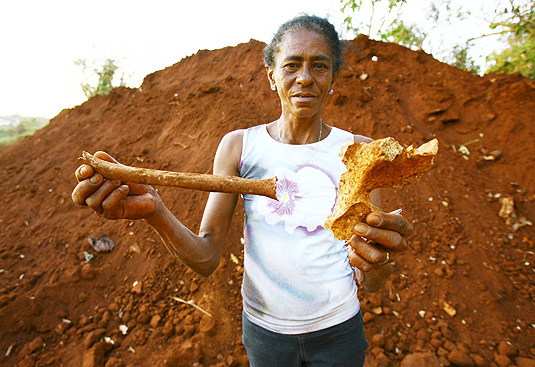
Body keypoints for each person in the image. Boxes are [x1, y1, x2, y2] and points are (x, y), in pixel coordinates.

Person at [72, 15, 413, 367]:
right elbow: (206, 258)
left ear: (332, 80)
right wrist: (154, 211)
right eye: (292, 65)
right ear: (272, 76)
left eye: (320, 66)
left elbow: (371, 280)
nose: (305, 77)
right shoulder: (239, 147)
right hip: (265, 334)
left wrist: (378, 259)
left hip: (339, 331)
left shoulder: (360, 153)